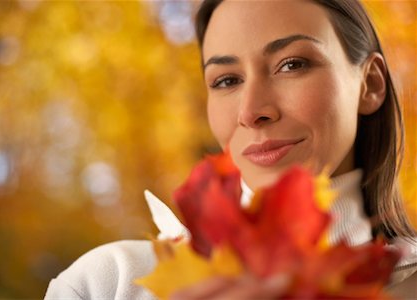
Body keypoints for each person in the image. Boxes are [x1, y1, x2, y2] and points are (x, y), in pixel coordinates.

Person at [45, 0, 417, 298]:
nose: (252, 111)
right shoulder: (108, 284)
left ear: (369, 84)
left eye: (292, 64)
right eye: (226, 80)